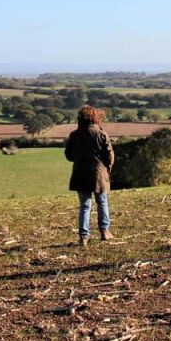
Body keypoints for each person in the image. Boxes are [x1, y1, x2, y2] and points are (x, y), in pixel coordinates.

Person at [65, 105, 115, 246]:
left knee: (84, 206)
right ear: (95, 118)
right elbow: (110, 157)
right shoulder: (101, 134)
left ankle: (84, 236)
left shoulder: (74, 135)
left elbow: (68, 155)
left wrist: (80, 159)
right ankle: (105, 232)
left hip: (80, 173)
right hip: (98, 174)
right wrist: (106, 168)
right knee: (102, 202)